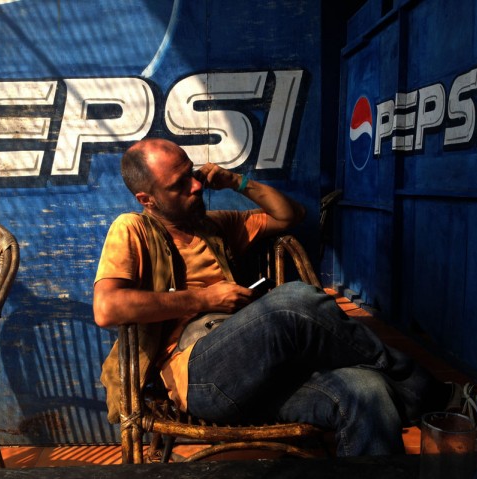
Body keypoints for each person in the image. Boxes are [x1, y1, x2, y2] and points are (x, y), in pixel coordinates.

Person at [93, 137, 457, 456]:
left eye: (193, 173)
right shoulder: (133, 228)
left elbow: (289, 215)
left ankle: (405, 394)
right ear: (147, 199)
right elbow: (107, 308)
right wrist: (204, 299)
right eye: (179, 185)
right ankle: (428, 392)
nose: (196, 186)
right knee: (293, 300)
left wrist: (235, 181)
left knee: (368, 391)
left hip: (262, 369)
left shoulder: (215, 225)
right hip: (201, 377)